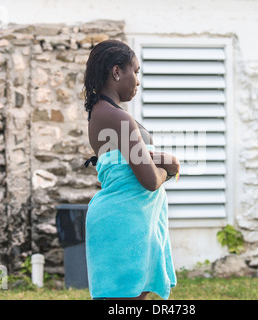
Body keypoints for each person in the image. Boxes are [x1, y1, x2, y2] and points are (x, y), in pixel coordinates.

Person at [83, 40, 179, 300]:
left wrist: (156, 159)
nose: (137, 80)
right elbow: (148, 179)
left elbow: (133, 159)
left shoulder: (103, 112)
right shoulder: (117, 118)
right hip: (125, 221)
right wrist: (170, 166)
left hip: (129, 219)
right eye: (135, 71)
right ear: (116, 72)